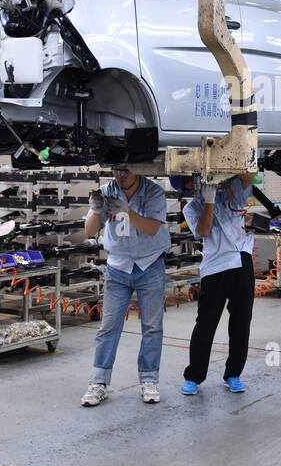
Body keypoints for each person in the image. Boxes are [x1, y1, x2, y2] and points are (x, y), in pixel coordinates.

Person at [80, 167, 172, 407]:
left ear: (138, 169)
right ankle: (98, 382)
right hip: (118, 266)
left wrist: (128, 212)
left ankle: (149, 379)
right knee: (109, 326)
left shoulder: (153, 192)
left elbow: (153, 228)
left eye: (126, 170)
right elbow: (89, 231)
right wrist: (96, 210)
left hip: (149, 264)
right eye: (116, 170)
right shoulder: (105, 192)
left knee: (152, 326)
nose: (120, 175)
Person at [175, 174, 257, 396]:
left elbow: (249, 177)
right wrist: (209, 202)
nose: (197, 185)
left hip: (242, 261)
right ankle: (194, 376)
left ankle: (233, 374)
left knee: (241, 323)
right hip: (215, 267)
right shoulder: (191, 208)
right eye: (191, 183)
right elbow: (203, 231)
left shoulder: (231, 192)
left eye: (197, 179)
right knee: (206, 324)